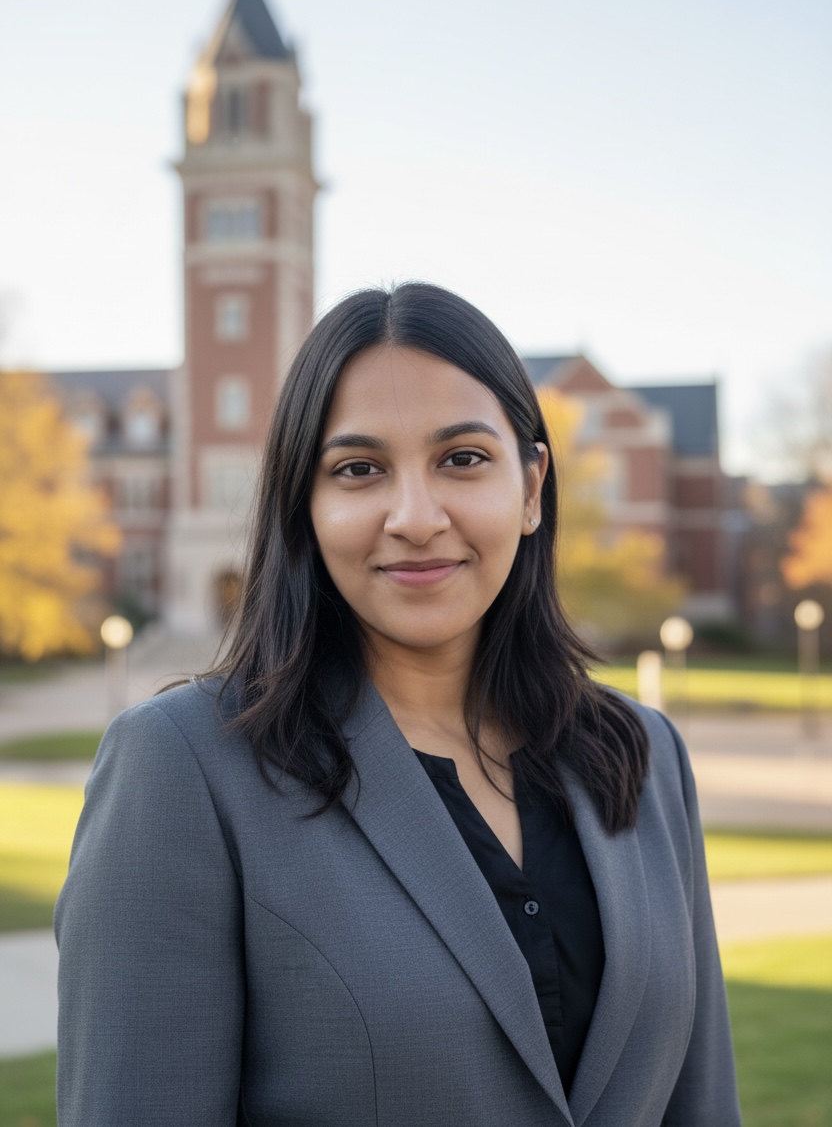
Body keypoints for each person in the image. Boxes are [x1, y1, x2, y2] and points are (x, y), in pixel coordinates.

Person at [55, 282, 742, 1127]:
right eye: (358, 470)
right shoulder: (183, 769)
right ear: (304, 508)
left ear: (531, 489)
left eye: (462, 459)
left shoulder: (645, 753)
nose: (415, 518)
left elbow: (701, 1103)